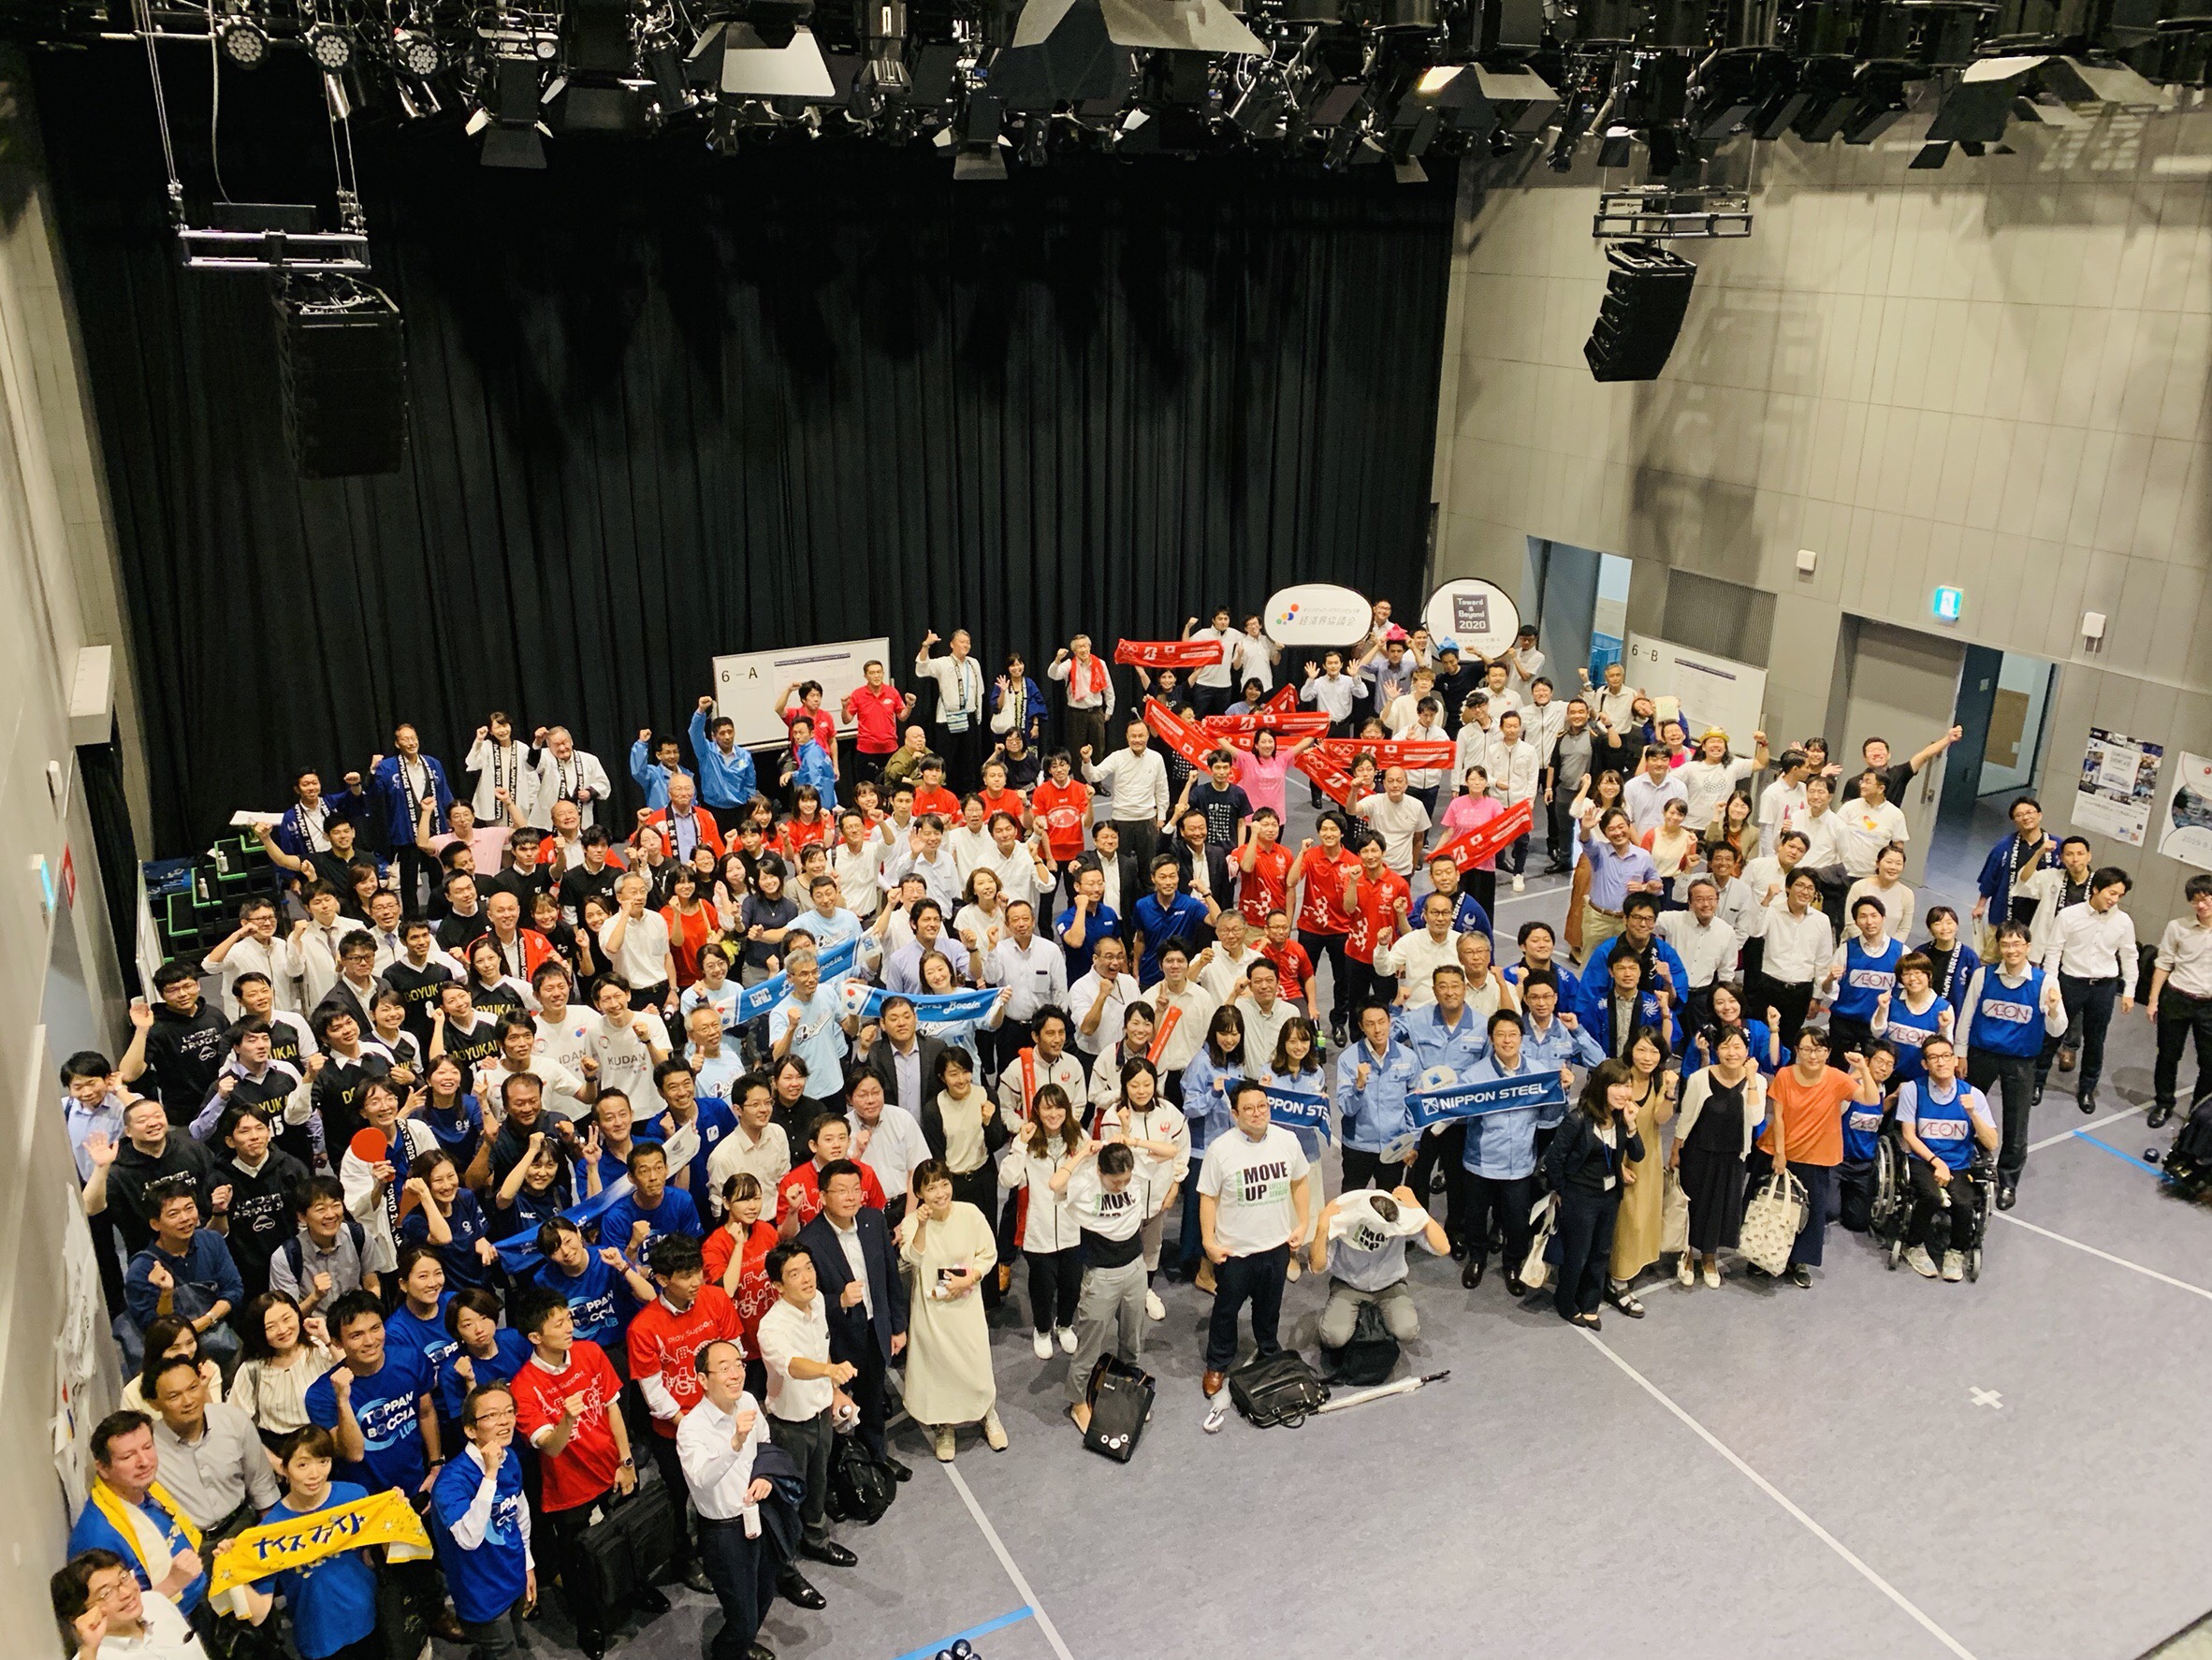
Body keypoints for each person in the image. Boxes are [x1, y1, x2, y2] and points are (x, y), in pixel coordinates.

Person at [508, 1287, 666, 1660]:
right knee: (578, 1562)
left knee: (630, 1534)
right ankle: (589, 1622)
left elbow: (613, 1409)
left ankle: (635, 1589)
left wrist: (626, 1462)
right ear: (535, 1337)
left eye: (568, 1318)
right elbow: (550, 1447)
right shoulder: (524, 1386)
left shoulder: (591, 1352)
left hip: (613, 1469)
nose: (569, 1327)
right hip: (569, 1488)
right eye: (558, 1323)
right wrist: (567, 1418)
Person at [628, 1233, 742, 1596]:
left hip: (723, 1415)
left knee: (725, 1486)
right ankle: (684, 1558)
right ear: (662, 1279)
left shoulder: (716, 1299)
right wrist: (694, 1427)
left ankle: (720, 1548)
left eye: (698, 1271)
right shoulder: (643, 1328)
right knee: (681, 1498)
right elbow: (655, 1395)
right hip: (676, 1431)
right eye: (686, 1275)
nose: (696, 1281)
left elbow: (734, 1354)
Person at [1196, 1080, 1314, 1397]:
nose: (1257, 1113)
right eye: (1248, 1109)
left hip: (1276, 1247)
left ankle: (1268, 1351)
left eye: (1262, 1106)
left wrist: (1303, 1222)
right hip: (1235, 1251)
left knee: (1269, 1308)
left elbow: (1300, 1182)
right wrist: (1208, 1241)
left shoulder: (1287, 1140)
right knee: (1226, 1310)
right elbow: (1208, 1198)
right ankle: (1218, 1364)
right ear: (1235, 1114)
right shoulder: (1221, 1149)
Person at [677, 1339, 792, 1660]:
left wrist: (764, 1476)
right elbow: (701, 1478)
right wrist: (735, 1442)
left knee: (764, 1592)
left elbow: (765, 1441)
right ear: (703, 1379)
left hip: (759, 1514)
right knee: (741, 1616)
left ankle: (743, 1642)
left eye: (738, 1365)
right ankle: (729, 1651)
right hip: (724, 1532)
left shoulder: (748, 1401)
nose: (735, 1374)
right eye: (724, 1368)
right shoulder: (691, 1429)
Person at [793, 1161, 910, 1474]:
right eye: (842, 1191)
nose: (851, 1197)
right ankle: (842, 1473)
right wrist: (840, 1301)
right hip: (836, 1342)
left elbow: (890, 1276)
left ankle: (877, 1461)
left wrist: (898, 1326)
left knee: (873, 1401)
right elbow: (804, 1301)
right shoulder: (809, 1241)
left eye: (856, 1189)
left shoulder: (873, 1220)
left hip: (874, 1329)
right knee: (834, 1410)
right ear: (822, 1196)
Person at [236, 1428, 378, 1660]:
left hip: (367, 1619)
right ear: (285, 1469)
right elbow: (258, 1614)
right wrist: (233, 1572)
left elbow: (372, 1557)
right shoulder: (271, 1529)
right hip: (317, 1636)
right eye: (302, 1465)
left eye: (323, 1462)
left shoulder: (355, 1497)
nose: (315, 1474)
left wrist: (398, 1515)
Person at [1955, 921, 2068, 1210]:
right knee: (1966, 1112)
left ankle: (2007, 1181)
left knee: (2016, 1123)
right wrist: (1960, 1053)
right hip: (1981, 1055)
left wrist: (2054, 1008)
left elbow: (2057, 1030)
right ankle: (1964, 1164)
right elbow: (1967, 1016)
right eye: (2005, 944)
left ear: (2028, 947)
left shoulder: (2046, 982)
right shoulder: (1983, 976)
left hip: (2021, 1061)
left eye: (2017, 944)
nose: (2011, 950)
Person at [895, 1158, 1002, 1461]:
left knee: (975, 1362)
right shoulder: (911, 1223)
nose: (940, 1193)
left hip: (965, 1305)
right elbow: (913, 1258)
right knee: (939, 1369)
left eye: (944, 1184)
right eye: (931, 1188)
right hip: (932, 1310)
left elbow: (988, 1253)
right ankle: (945, 1426)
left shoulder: (970, 1214)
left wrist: (970, 1278)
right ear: (919, 1193)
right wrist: (922, 1225)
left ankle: (988, 1414)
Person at [1755, 1029, 1878, 1288]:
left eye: (1820, 1050)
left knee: (1811, 1212)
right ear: (1797, 1051)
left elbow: (1870, 1098)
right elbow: (1778, 1117)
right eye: (1807, 1049)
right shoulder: (1785, 1075)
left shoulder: (1836, 1078)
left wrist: (1863, 1069)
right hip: (1782, 1152)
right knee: (1769, 1205)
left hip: (1817, 1155)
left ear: (1828, 1052)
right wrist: (1780, 1154)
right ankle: (1760, 1256)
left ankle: (1799, 1262)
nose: (1813, 1055)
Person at [429, 1381, 537, 1660]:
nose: (504, 1421)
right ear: (470, 1430)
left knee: (516, 1638)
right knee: (504, 1651)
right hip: (481, 1593)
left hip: (513, 1573)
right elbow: (469, 1538)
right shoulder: (451, 1482)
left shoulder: (509, 1457)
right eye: (491, 1415)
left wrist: (527, 1564)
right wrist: (490, 1476)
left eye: (509, 1411)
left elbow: (520, 1512)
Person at [1544, 1061, 1645, 1330]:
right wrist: (1562, 1191)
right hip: (1580, 1198)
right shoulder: (1577, 1120)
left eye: (1627, 1086)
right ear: (1602, 1086)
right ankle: (1566, 1302)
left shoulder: (1622, 1118)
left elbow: (1637, 1155)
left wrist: (1632, 1126)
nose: (1624, 1093)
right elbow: (1555, 1160)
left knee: (1601, 1252)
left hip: (1610, 1197)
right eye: (1617, 1086)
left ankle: (1590, 1303)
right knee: (1578, 1255)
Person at [1895, 1037, 2001, 1281]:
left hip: (1959, 1163)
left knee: (1964, 1202)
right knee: (1930, 1196)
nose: (1940, 1062)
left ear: (1954, 1060)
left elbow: (1992, 1143)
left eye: (1945, 1056)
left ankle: (1956, 1251)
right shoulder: (1913, 1090)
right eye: (1933, 1057)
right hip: (1923, 1159)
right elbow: (1908, 1135)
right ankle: (1914, 1245)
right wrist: (1936, 1161)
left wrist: (1973, 1114)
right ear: (1925, 1064)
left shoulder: (1973, 1095)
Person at [140, 1351, 278, 1536]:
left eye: (193, 1388)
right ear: (153, 1404)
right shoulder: (148, 1448)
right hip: (189, 1541)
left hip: (243, 1525)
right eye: (174, 1396)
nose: (188, 1401)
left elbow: (262, 1486)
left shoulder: (232, 1419)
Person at [2038, 865, 2137, 1114]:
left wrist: (2129, 990)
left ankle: (2086, 1089)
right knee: (2053, 1033)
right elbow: (2053, 951)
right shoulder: (2069, 916)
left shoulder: (2123, 922)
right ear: (2096, 889)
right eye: (2111, 893)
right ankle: (2037, 1082)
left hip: (2104, 987)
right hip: (2071, 982)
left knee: (2095, 1040)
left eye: (2119, 895)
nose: (2114, 900)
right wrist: (2050, 985)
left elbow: (2129, 955)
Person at [1673, 1025, 1768, 1286]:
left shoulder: (1758, 1082)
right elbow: (1686, 1116)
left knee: (1719, 1208)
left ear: (1747, 1051)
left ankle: (1709, 1257)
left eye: (1738, 1047)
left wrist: (1751, 1080)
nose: (1731, 1052)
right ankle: (1686, 1253)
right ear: (1716, 1050)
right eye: (1725, 1046)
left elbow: (1755, 1118)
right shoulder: (1699, 1078)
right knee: (1693, 1205)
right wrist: (1675, 1148)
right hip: (1698, 1152)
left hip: (1733, 1155)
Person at [997, 1085, 1085, 1360]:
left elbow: (1089, 1174)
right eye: (1047, 1108)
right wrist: (1020, 1145)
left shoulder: (1078, 1136)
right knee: (1042, 1288)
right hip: (1038, 1229)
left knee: (1072, 1284)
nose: (1053, 1114)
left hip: (1073, 1228)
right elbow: (1007, 1179)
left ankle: (1065, 1324)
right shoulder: (1027, 1140)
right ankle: (1043, 1329)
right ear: (1036, 1109)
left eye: (1059, 1107)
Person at [1309, 1185, 1448, 1349]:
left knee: (1407, 1331)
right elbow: (1317, 1267)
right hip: (1348, 1285)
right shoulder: (1343, 1218)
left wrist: (1420, 1212)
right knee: (1333, 1338)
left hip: (1390, 1285)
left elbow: (1443, 1248)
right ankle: (1363, 1317)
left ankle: (1372, 1318)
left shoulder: (1400, 1219)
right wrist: (1322, 1229)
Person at [124, 1185, 244, 1374]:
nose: (185, 1218)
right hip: (172, 1357)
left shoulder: (212, 1241)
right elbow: (155, 1327)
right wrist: (166, 1292)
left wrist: (205, 1321)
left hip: (219, 1344)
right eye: (174, 1214)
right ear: (155, 1224)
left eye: (189, 1208)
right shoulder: (141, 1269)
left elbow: (234, 1290)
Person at [1605, 1027, 1674, 1314]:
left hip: (1648, 1159)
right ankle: (1617, 1281)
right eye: (1642, 1049)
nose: (1647, 1057)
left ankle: (1629, 1268)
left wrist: (1670, 1093)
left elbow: (1661, 1119)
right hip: (1618, 1157)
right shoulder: (1619, 1079)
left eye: (1654, 1051)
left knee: (1644, 1215)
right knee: (1626, 1220)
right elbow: (1605, 1122)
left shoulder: (1659, 1080)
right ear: (1631, 1049)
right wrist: (1617, 1164)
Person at [51, 1545, 208, 1660]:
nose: (126, 1593)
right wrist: (90, 1649)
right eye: (107, 1593)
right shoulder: (94, 1655)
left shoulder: (154, 1602)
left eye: (124, 1578)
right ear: (79, 1616)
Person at [229, 1291, 338, 1449]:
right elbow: (238, 1428)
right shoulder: (251, 1370)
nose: (282, 1330)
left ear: (298, 1314)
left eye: (287, 1319)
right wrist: (274, 1461)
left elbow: (353, 1376)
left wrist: (327, 1340)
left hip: (327, 1444)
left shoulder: (321, 1347)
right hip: (278, 1450)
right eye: (271, 1327)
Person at [2147, 874, 2212, 1129]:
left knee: (2209, 1063)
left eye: (2206, 899)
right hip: (2177, 997)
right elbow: (2164, 963)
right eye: (2195, 901)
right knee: (2167, 1055)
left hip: (2209, 1005)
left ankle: (2197, 1114)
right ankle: (2163, 1104)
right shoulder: (2178, 927)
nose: (2201, 906)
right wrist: (2153, 1000)